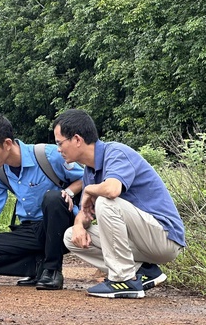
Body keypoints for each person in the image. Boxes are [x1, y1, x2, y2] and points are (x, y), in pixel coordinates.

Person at [52, 109, 185, 299]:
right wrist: (78, 224)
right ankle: (145, 271)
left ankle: (124, 280)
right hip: (142, 240)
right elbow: (86, 213)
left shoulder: (116, 153)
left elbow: (112, 190)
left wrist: (88, 190)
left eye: (60, 143)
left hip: (163, 237)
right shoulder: (90, 171)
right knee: (70, 236)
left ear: (77, 139)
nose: (58, 149)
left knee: (106, 201)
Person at [0, 114, 84, 289]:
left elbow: (86, 178)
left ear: (7, 144)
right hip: (30, 229)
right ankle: (37, 267)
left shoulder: (49, 155)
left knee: (53, 198)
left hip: (61, 226)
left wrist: (68, 192)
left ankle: (52, 270)